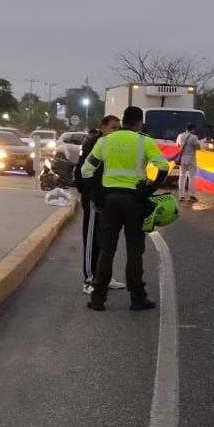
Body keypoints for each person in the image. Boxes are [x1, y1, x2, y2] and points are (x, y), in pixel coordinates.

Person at [81, 106, 170, 312]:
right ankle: (137, 298)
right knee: (134, 251)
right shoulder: (144, 141)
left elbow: (87, 169)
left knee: (106, 250)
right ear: (139, 122)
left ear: (122, 121)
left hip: (110, 201)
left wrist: (97, 194)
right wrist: (149, 189)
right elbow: (163, 166)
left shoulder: (105, 141)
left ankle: (98, 299)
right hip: (134, 202)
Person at [76, 116, 124, 295]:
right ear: (103, 127)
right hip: (93, 198)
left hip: (106, 198)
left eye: (118, 128)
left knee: (105, 239)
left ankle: (104, 276)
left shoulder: (111, 144)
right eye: (113, 127)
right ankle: (89, 279)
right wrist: (89, 195)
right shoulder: (94, 143)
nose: (116, 131)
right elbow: (81, 171)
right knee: (91, 239)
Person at [174, 123, 203, 202]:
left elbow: (178, 146)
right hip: (191, 160)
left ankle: (181, 196)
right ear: (193, 129)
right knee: (191, 178)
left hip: (182, 159)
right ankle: (191, 196)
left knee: (182, 176)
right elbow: (198, 147)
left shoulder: (180, 136)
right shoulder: (194, 137)